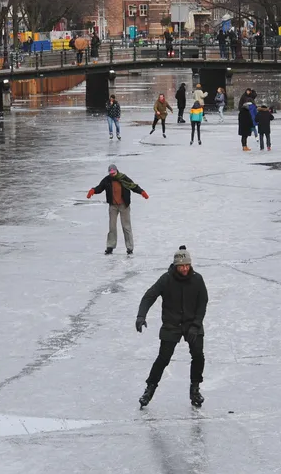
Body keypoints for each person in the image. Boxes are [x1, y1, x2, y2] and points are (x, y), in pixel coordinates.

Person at [137, 246, 208, 408]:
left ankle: (195, 389)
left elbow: (202, 304)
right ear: (176, 266)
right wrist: (141, 316)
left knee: (198, 355)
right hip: (172, 324)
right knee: (163, 358)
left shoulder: (197, 279)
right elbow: (149, 296)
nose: (184, 268)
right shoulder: (166, 279)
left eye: (187, 265)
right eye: (181, 266)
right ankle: (150, 388)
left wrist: (196, 325)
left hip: (192, 324)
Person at [86, 163, 148, 255]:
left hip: (124, 205)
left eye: (113, 172)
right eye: (110, 173)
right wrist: (93, 190)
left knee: (126, 227)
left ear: (116, 171)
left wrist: (142, 192)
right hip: (113, 206)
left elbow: (133, 186)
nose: (112, 174)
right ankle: (110, 246)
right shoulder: (107, 180)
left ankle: (129, 247)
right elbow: (100, 188)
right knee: (112, 227)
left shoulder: (123, 178)